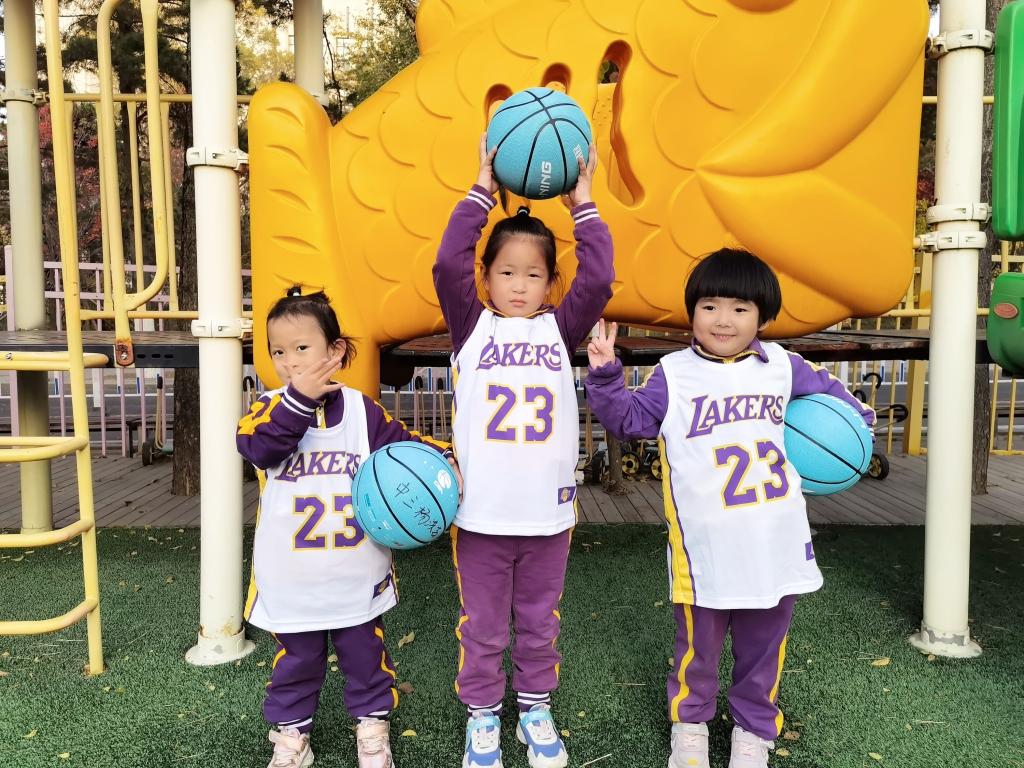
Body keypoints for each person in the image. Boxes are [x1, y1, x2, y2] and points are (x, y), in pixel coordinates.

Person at [585, 248, 875, 768]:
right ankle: (690, 725)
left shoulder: (783, 366)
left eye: (740, 308)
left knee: (764, 648)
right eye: (710, 306)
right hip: (704, 549)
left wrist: (859, 425)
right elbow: (628, 420)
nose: (723, 319)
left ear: (762, 317)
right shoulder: (674, 373)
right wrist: (607, 376)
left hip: (775, 541)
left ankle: (754, 730)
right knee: (697, 650)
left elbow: (838, 400)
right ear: (692, 312)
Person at [432, 137, 614, 768]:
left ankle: (534, 706)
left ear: (550, 283)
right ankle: (483, 714)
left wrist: (583, 203)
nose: (518, 284)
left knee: (539, 621)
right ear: (485, 277)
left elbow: (599, 276)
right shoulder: (471, 326)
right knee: (482, 624)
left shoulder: (559, 330)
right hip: (481, 514)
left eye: (533, 274)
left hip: (547, 514)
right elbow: (446, 262)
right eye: (506, 272)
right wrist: (481, 190)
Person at [237, 289, 450, 768]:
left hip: (356, 573)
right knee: (295, 664)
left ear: (334, 352)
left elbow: (404, 445)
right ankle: (292, 737)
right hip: (291, 578)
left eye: (302, 348)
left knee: (366, 658)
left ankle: (372, 730)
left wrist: (445, 456)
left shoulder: (361, 411)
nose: (290, 361)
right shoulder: (266, 410)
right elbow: (259, 448)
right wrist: (298, 400)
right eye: (278, 351)